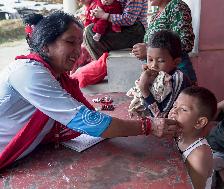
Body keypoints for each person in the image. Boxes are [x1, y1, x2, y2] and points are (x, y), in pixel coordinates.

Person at [0, 11, 178, 170]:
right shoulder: (29, 72)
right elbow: (87, 121)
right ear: (46, 45)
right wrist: (147, 126)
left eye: (80, 44)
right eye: (70, 42)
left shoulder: (53, 75)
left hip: (24, 154)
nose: (78, 51)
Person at [127, 30, 190, 118]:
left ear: (176, 62)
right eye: (150, 60)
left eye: (160, 61)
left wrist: (144, 88)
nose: (153, 66)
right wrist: (147, 81)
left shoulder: (178, 79)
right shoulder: (157, 75)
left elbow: (161, 116)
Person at [132, 0, 197, 84]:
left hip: (177, 76)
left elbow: (186, 43)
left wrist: (148, 49)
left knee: (181, 96)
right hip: (161, 78)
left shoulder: (176, 6)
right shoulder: (156, 13)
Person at [168, 86, 217, 189]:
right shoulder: (177, 135)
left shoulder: (199, 155)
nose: (174, 111)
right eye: (174, 106)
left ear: (199, 122)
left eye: (183, 109)